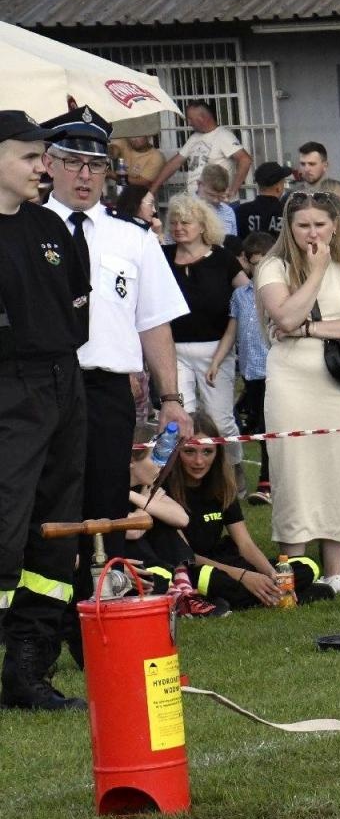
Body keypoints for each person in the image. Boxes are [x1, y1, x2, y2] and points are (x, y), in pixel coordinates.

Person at [41, 108, 189, 616]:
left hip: (107, 389)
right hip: (43, 385)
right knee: (47, 502)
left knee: (106, 502)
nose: (85, 175)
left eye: (96, 165)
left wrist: (171, 398)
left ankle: (103, 610)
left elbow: (155, 322)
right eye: (72, 162)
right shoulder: (26, 228)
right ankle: (43, 618)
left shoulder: (133, 236)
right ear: (48, 164)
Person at [0, 111, 92, 710]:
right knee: (4, 529)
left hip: (63, 381)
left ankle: (28, 672)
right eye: (31, 157)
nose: (44, 168)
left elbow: (77, 306)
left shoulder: (50, 226)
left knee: (56, 533)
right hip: (8, 387)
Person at [256, 189, 340, 595]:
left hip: (338, 381)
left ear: (335, 226)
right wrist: (315, 272)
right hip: (292, 380)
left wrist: (310, 328)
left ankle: (335, 571)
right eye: (303, 225)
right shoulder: (273, 266)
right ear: (289, 227)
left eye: (320, 224)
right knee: (294, 467)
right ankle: (294, 566)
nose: (312, 233)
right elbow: (285, 316)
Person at [143, 414, 299, 610]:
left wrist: (273, 575)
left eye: (207, 451)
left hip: (220, 559)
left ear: (218, 452)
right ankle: (253, 595)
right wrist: (244, 576)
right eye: (189, 451)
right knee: (212, 579)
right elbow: (186, 556)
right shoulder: (164, 489)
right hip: (189, 567)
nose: (199, 461)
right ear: (175, 451)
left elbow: (245, 543)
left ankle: (265, 593)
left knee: (302, 567)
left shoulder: (222, 485)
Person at [164, 195, 247, 484]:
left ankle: (232, 469)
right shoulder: (162, 257)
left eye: (185, 222)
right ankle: (182, 479)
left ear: (202, 226)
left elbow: (247, 297)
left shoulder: (223, 259)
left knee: (220, 420)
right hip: (172, 349)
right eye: (174, 222)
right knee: (181, 418)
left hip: (216, 349)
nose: (178, 227)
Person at [232, 231, 274, 505]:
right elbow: (232, 331)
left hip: (275, 372)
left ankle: (266, 482)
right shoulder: (240, 295)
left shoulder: (281, 292)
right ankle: (268, 481)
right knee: (259, 427)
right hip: (252, 373)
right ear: (246, 263)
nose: (260, 270)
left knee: (271, 427)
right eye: (255, 264)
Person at [151, 100, 251, 199]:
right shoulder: (194, 137)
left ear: (202, 118)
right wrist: (151, 192)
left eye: (190, 119)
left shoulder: (223, 136)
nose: (189, 123)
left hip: (218, 202)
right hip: (197, 201)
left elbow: (245, 159)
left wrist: (233, 190)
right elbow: (175, 163)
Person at [236, 161, 291, 240]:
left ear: (259, 186)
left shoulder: (241, 211)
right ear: (278, 187)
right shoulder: (287, 212)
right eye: (283, 183)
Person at [197, 163, 239, 238]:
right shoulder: (184, 208)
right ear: (199, 184)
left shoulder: (228, 211)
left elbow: (232, 242)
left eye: (220, 196)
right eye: (211, 195)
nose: (215, 200)